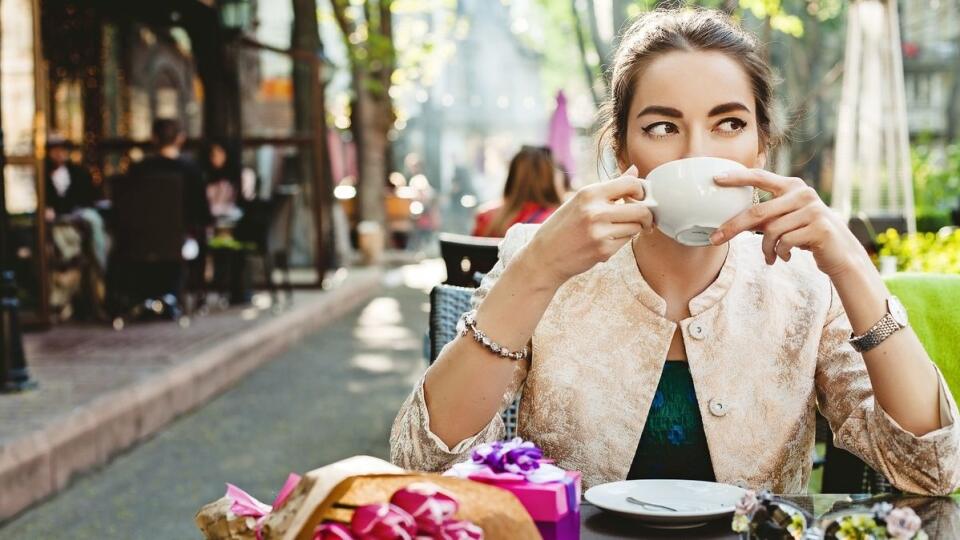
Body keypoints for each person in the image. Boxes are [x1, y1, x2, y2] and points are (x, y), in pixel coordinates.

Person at [391, 8, 960, 495]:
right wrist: (536, 270)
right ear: (620, 147)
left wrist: (852, 266)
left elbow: (933, 470)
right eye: (663, 127)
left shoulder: (809, 282)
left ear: (760, 145)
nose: (696, 154)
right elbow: (422, 464)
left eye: (728, 123)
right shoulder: (546, 259)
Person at [471, 146, 564, 237]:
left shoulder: (484, 217)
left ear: (512, 177)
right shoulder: (557, 222)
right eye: (557, 170)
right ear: (550, 179)